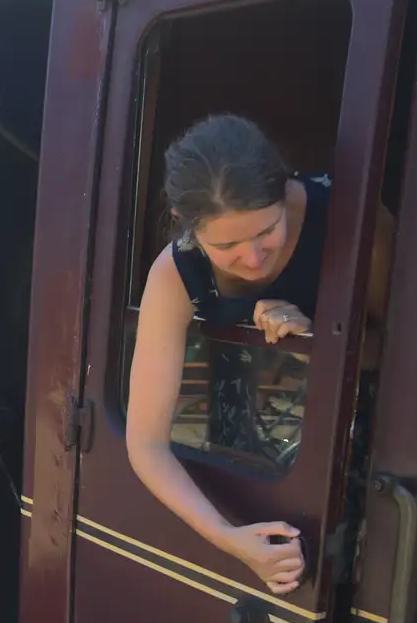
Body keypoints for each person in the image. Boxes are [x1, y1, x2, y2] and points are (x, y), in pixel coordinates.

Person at [124, 114, 392, 594]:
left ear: (286, 189)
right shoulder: (175, 272)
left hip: (370, 461)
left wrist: (318, 342)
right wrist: (228, 538)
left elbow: (404, 355)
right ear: (187, 226)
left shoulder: (355, 222)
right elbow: (145, 442)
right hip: (242, 450)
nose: (251, 258)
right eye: (225, 245)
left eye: (267, 231)